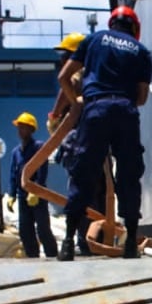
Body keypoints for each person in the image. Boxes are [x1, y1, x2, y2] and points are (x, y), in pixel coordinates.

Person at [56, 5, 152, 261]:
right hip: (125, 111)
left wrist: (76, 102)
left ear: (111, 24)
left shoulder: (93, 40)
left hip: (95, 111)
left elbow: (64, 76)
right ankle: (130, 244)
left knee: (84, 173)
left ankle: (68, 243)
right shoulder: (141, 51)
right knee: (129, 174)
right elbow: (142, 97)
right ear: (135, 27)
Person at [49, 32, 93, 257]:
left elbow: (65, 91)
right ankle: (91, 239)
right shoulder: (95, 73)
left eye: (65, 55)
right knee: (96, 189)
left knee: (79, 188)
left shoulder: (77, 75)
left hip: (80, 138)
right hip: (97, 135)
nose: (62, 60)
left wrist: (55, 116)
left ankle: (77, 240)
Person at [6, 112, 59, 259]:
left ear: (31, 129)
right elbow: (13, 174)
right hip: (23, 197)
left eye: (23, 127)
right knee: (25, 230)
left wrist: (36, 190)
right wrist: (11, 194)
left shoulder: (39, 147)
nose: (20, 130)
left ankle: (52, 255)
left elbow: (42, 170)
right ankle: (32, 257)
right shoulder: (16, 152)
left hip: (37, 196)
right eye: (19, 127)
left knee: (43, 229)